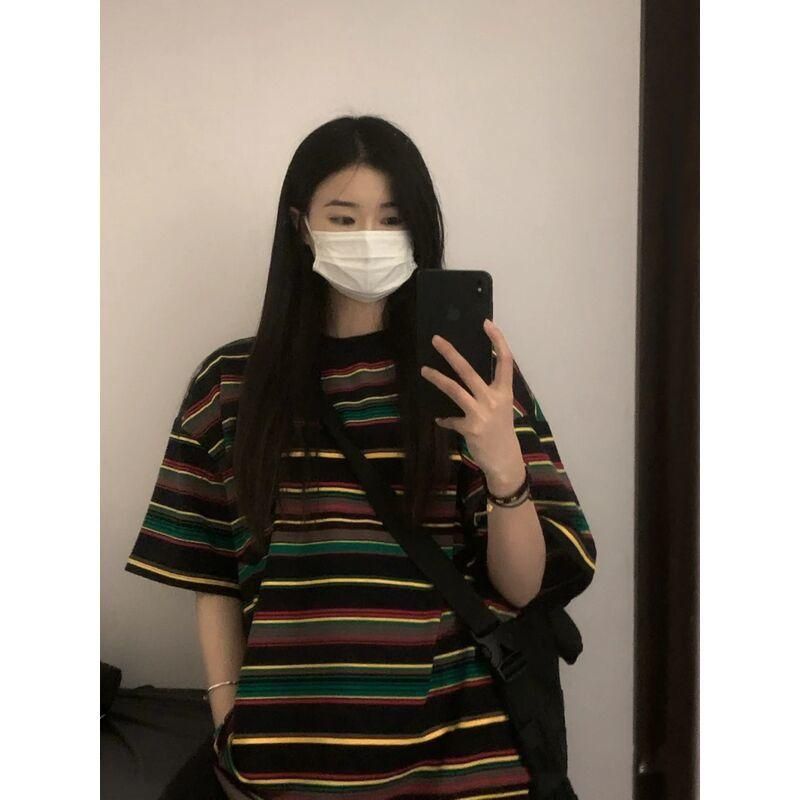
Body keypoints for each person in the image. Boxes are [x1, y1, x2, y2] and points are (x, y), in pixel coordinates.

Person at [125, 115, 597, 800]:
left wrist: (503, 462)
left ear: (419, 229)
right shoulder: (229, 386)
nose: (369, 238)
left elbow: (525, 588)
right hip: (285, 769)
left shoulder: (467, 378)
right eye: (343, 219)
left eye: (391, 218)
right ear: (301, 226)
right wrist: (230, 724)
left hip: (465, 765)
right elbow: (213, 575)